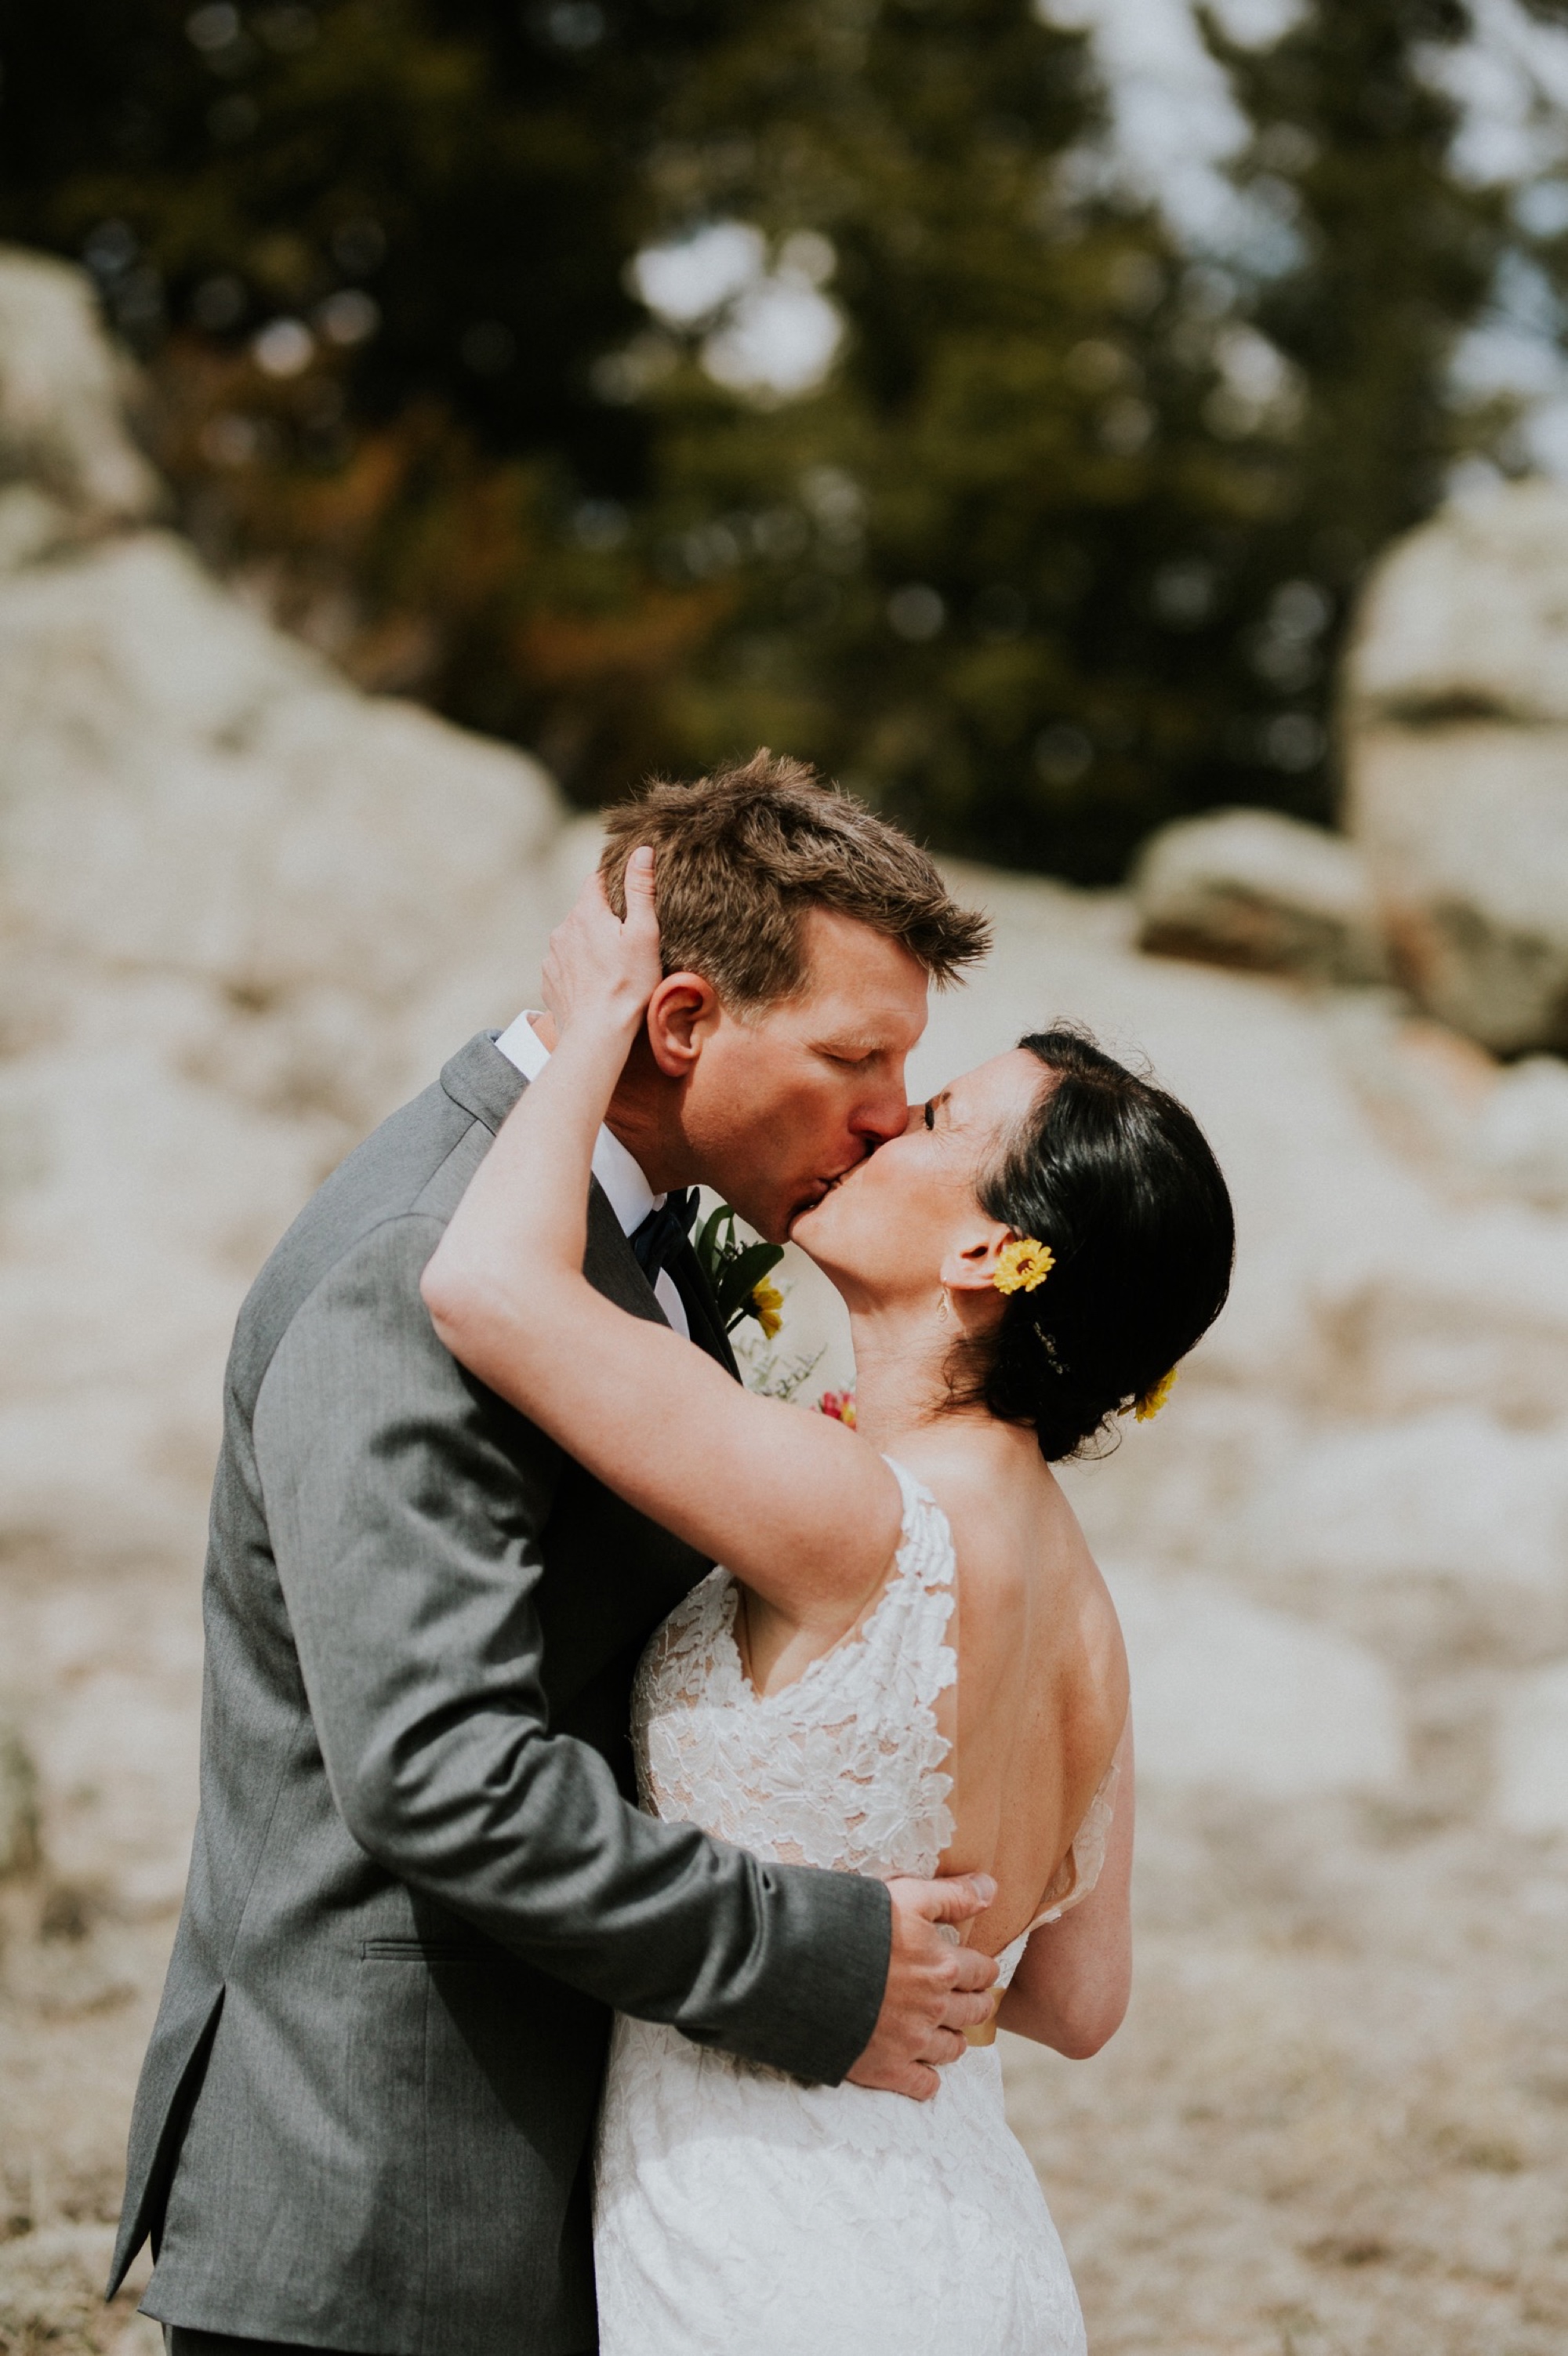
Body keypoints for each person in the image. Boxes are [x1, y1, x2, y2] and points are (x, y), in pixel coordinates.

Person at [109, 755, 1003, 2356]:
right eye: (853, 1057)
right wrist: (816, 1958)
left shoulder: (617, 1231)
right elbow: (437, 1769)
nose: (887, 1116)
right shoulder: (415, 1268)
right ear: (676, 1026)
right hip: (381, 2205)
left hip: (527, 2174)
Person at [422, 837, 1236, 2354]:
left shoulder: (859, 1511)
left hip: (772, 2246)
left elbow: (485, 1287)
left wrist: (597, 1021)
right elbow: (1077, 1997)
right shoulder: (1088, 1606)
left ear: (991, 1250)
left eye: (930, 1117)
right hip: (973, 2237)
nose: (876, 1124)